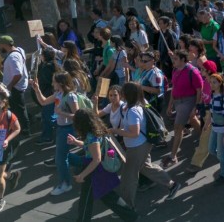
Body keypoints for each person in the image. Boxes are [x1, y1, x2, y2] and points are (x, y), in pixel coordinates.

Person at [114, 82, 180, 210]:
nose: (121, 94)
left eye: (123, 92)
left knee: (129, 177)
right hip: (143, 143)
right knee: (145, 167)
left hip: (137, 146)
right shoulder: (138, 103)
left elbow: (134, 133)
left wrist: (116, 131)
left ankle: (128, 208)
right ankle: (172, 185)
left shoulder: (133, 111)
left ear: (127, 94)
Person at [67, 109, 138, 221]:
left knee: (87, 200)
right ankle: (131, 216)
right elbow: (90, 148)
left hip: (94, 171)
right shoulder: (95, 131)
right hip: (99, 170)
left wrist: (82, 175)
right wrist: (76, 142)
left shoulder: (91, 137)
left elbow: (96, 159)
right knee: (108, 197)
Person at [30, 72, 80, 195]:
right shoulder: (58, 93)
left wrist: (62, 113)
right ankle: (86, 162)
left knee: (60, 158)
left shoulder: (70, 96)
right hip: (60, 128)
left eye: (54, 81)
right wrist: (37, 89)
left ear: (61, 83)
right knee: (63, 156)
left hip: (68, 129)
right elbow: (43, 102)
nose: (52, 84)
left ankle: (66, 184)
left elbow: (78, 116)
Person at [163, 50, 202, 167]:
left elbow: (199, 90)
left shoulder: (193, 72)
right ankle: (205, 139)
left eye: (175, 59)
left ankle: (173, 156)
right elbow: (174, 87)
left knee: (178, 127)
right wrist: (170, 104)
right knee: (193, 120)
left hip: (188, 101)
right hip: (177, 102)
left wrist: (195, 106)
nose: (173, 61)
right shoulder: (175, 70)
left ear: (183, 60)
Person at [0, 36, 30, 136]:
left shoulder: (12, 57)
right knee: (19, 108)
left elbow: (18, 74)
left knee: (19, 110)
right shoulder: (20, 50)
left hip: (15, 88)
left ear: (5, 45)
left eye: (0, 45)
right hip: (19, 85)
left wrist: (10, 86)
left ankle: (24, 130)